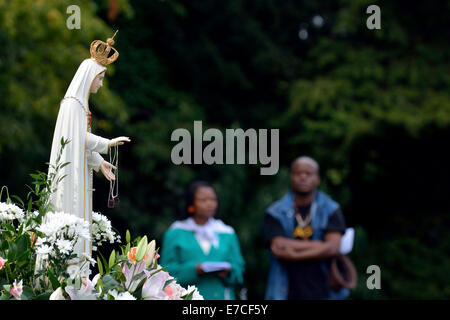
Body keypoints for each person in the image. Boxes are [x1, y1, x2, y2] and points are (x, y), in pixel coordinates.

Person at [43, 31, 131, 276]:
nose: (101, 84)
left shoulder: (79, 105)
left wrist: (99, 162)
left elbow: (78, 144)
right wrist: (107, 143)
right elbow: (76, 138)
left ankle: (76, 275)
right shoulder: (73, 103)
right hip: (69, 176)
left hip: (78, 173)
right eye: (100, 78)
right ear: (89, 77)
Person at [264, 156, 348, 300]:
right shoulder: (276, 212)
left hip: (324, 291)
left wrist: (293, 254)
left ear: (318, 178)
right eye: (298, 173)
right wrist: (319, 245)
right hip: (285, 292)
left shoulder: (331, 209)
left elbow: (333, 248)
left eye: (308, 173)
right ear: (291, 177)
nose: (303, 177)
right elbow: (278, 247)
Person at [160, 181, 245, 299]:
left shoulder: (227, 232)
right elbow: (166, 272)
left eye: (213, 199)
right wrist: (194, 269)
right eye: (203, 200)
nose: (210, 204)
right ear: (191, 204)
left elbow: (239, 270)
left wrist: (229, 271)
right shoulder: (176, 233)